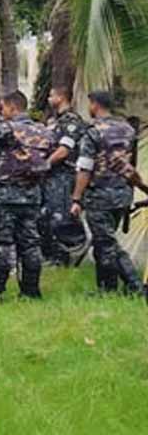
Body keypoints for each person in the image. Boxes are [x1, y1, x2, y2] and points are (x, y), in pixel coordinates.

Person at [71, 90, 148, 297]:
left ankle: (135, 286)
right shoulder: (127, 129)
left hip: (99, 196)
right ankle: (107, 288)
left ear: (95, 105)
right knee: (103, 242)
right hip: (122, 194)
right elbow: (131, 164)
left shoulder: (92, 132)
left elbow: (85, 168)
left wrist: (76, 198)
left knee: (107, 244)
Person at [0, 91, 53, 300]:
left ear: (12, 107)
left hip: (4, 196)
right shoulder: (44, 130)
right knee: (30, 244)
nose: (1, 112)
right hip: (32, 196)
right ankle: (30, 292)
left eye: (3, 107)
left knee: (1, 244)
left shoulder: (5, 128)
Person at [42, 86, 88, 265]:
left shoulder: (71, 120)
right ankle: (52, 255)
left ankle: (65, 255)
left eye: (51, 95)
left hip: (64, 175)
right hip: (53, 176)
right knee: (49, 214)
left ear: (60, 97)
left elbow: (63, 151)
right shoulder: (57, 120)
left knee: (61, 216)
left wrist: (43, 164)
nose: (48, 99)